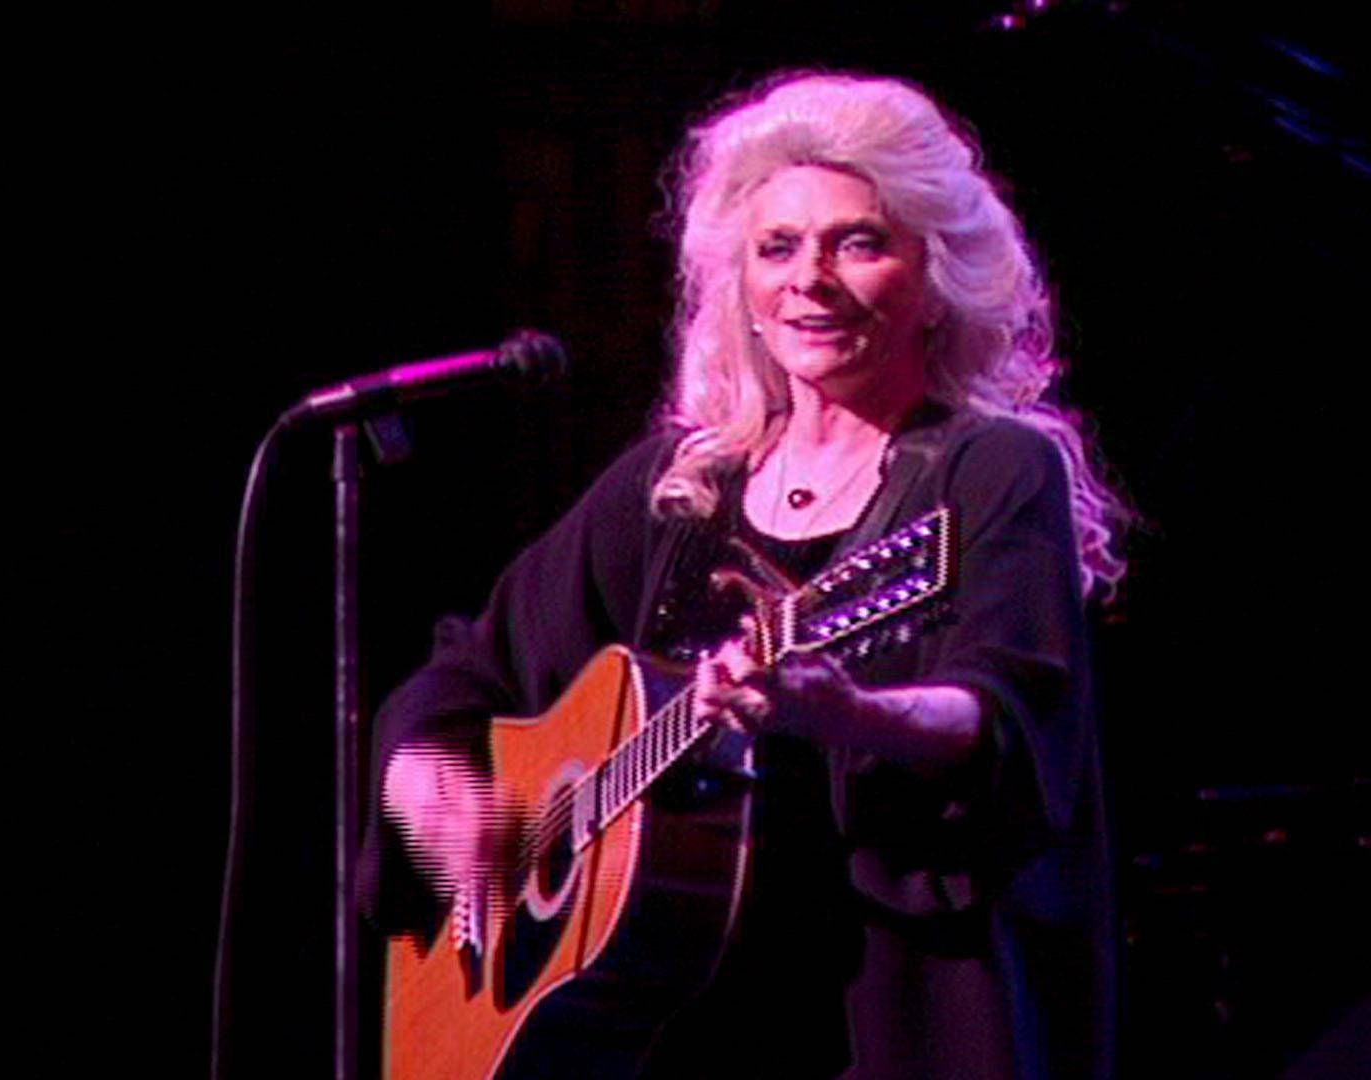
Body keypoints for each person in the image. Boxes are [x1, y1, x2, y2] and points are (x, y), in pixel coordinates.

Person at [360, 71, 1128, 1079]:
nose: (809, 279)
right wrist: (431, 784)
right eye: (778, 247)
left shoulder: (990, 467)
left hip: (888, 1008)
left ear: (935, 280)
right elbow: (466, 671)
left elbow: (1010, 715)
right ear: (741, 288)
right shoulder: (683, 490)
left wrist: (851, 713)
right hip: (679, 1028)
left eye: (859, 241)